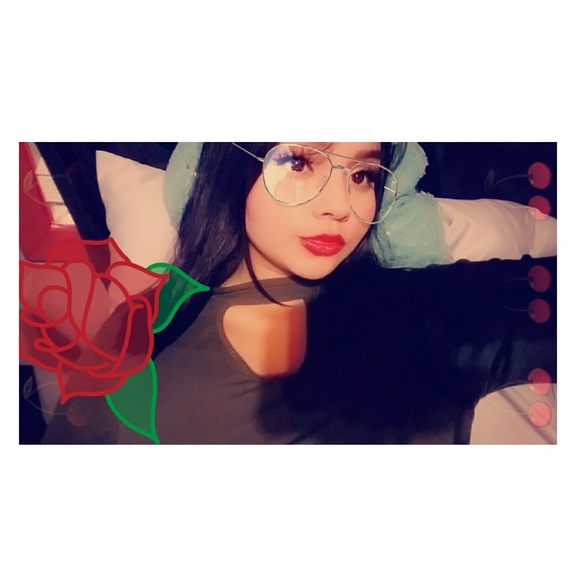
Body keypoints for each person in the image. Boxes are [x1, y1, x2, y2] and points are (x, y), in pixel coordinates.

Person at [40, 142, 556, 444]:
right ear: (229, 167)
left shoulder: (422, 309)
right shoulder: (140, 343)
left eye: (362, 175)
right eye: (298, 163)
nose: (340, 205)